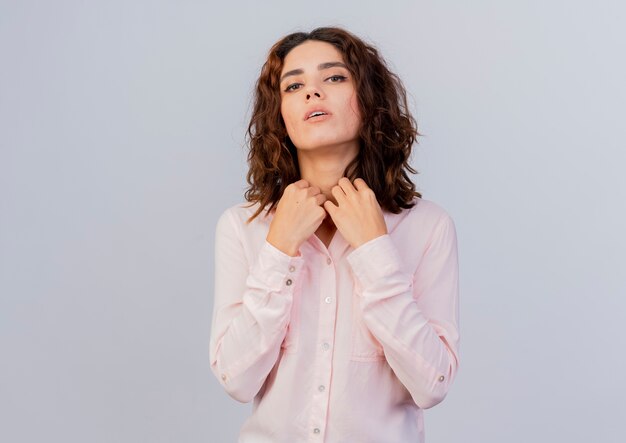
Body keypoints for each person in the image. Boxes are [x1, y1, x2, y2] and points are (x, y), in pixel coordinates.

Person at [209, 27, 460, 443]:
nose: (312, 92)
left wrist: (375, 251)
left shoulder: (428, 226)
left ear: (369, 99)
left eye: (334, 77)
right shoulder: (243, 227)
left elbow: (432, 384)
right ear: (280, 115)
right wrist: (279, 250)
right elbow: (236, 380)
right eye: (294, 85)